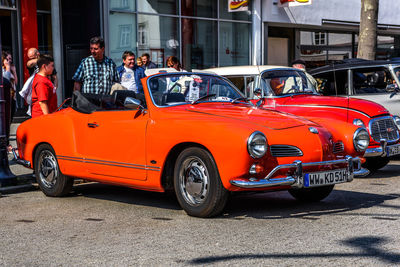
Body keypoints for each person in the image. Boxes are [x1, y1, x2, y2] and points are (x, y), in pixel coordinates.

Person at [2, 51, 17, 125]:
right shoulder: (3, 70)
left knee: (11, 116)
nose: (9, 61)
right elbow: (6, 81)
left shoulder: (11, 69)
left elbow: (16, 82)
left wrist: (14, 71)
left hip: (13, 95)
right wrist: (7, 67)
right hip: (7, 96)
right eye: (7, 59)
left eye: (10, 59)